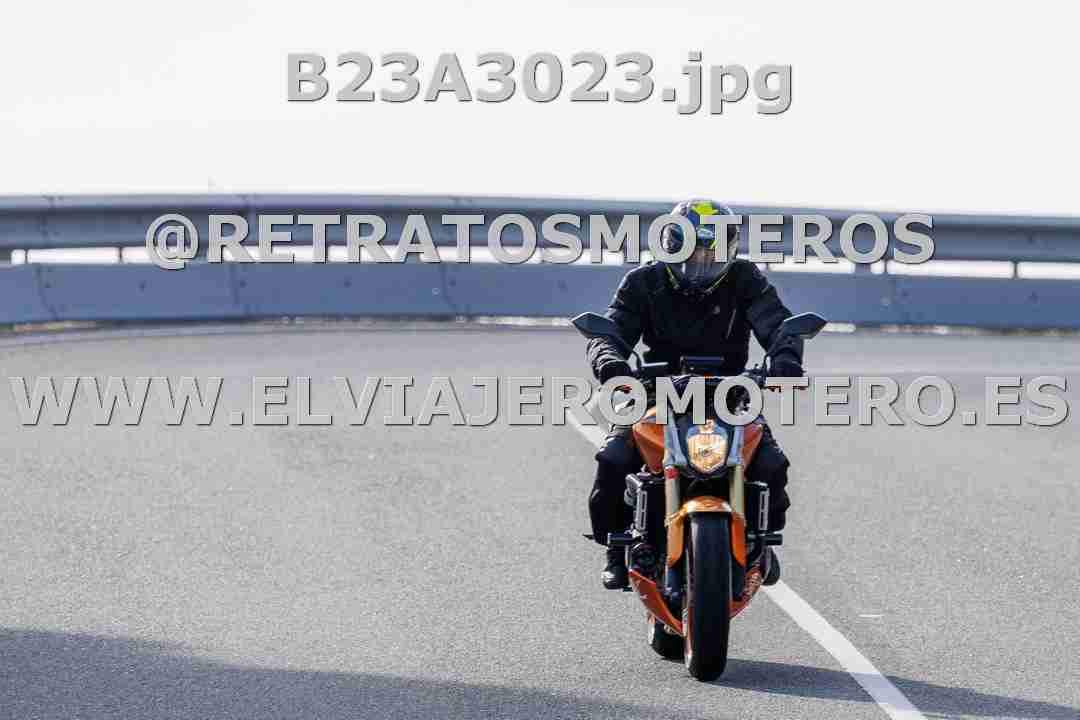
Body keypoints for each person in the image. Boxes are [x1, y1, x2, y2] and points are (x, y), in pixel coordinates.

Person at [585, 199, 805, 589]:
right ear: (671, 245)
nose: (701, 260)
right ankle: (616, 549)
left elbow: (777, 324)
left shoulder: (745, 279)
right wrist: (611, 362)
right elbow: (611, 331)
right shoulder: (643, 282)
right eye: (692, 250)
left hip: (729, 394)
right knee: (614, 458)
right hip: (656, 392)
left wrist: (786, 358)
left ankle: (761, 543)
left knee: (771, 463)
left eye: (710, 251)